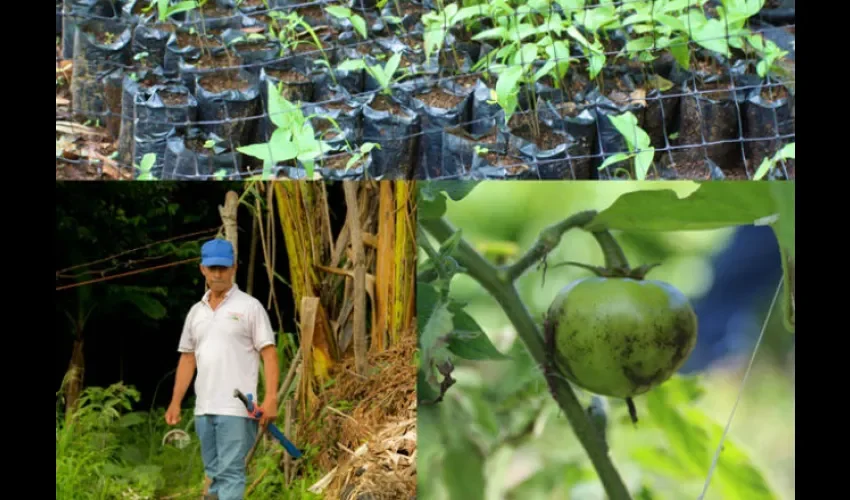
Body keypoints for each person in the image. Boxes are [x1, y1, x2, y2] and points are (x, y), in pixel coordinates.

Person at [165, 238, 280, 500]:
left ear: (234, 268)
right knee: (214, 474)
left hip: (237, 409)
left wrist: (271, 398)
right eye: (212, 268)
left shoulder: (249, 307)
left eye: (223, 268)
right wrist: (175, 401)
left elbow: (269, 354)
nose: (218, 274)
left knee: (230, 474)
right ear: (202, 269)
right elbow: (187, 359)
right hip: (204, 408)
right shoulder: (197, 312)